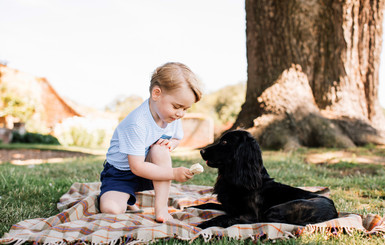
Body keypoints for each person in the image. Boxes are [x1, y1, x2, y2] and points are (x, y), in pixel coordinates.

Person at [99, 62, 203, 223]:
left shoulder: (170, 116)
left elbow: (176, 138)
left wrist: (171, 144)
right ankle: (125, 197)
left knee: (160, 150)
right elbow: (137, 167)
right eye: (177, 106)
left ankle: (161, 209)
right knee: (111, 210)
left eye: (185, 109)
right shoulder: (137, 123)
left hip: (151, 169)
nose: (181, 113)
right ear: (156, 94)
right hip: (121, 173)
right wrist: (174, 173)